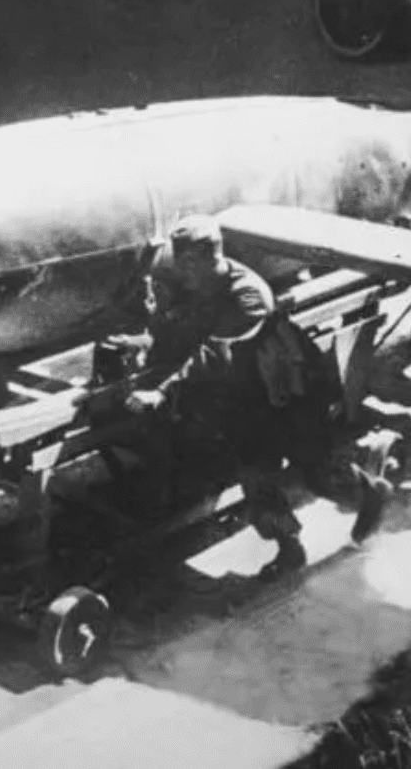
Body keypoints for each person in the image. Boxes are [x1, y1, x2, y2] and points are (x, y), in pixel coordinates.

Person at [123, 215, 392, 580]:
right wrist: (144, 338)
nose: (180, 271)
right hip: (248, 402)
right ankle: (290, 550)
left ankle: (368, 494)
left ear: (203, 258)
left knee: (318, 472)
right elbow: (181, 328)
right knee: (256, 477)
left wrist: (161, 390)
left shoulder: (247, 295)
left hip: (288, 397)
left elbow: (212, 353)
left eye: (185, 262)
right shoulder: (200, 285)